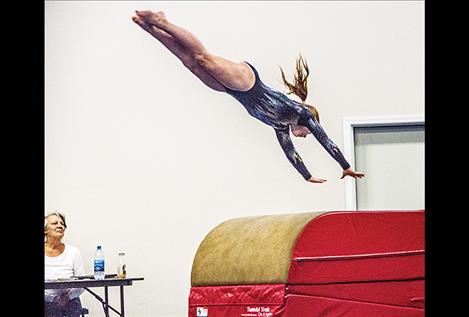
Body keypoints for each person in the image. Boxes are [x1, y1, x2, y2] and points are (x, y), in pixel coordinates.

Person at [132, 10, 365, 183]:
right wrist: (344, 166)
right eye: (306, 134)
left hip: (233, 92)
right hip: (248, 83)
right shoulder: (302, 114)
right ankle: (163, 22)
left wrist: (307, 176)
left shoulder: (280, 126)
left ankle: (152, 30)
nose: (305, 137)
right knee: (202, 58)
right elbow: (326, 140)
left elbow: (290, 152)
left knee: (191, 65)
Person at [44, 212, 85, 317]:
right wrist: (51, 299)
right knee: (51, 310)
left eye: (62, 224)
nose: (60, 226)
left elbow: (82, 283)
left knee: (73, 305)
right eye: (55, 223)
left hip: (69, 300)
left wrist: (67, 297)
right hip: (45, 300)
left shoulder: (74, 252)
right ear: (45, 230)